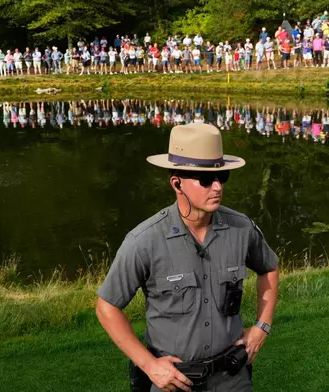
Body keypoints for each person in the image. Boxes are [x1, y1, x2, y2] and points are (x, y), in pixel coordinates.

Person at [96, 123, 279, 392]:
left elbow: (269, 268)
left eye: (222, 176)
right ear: (177, 183)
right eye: (205, 180)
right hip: (174, 382)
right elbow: (107, 306)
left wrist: (262, 326)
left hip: (232, 377)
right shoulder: (145, 240)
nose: (217, 186)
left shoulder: (241, 229)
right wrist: (148, 365)